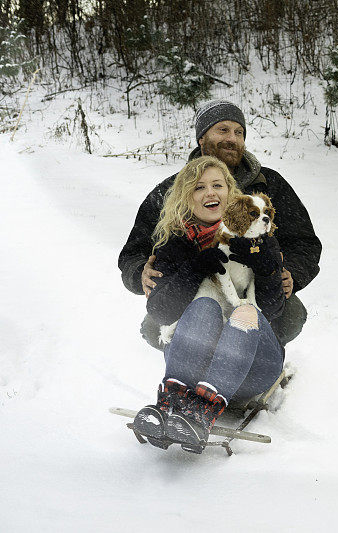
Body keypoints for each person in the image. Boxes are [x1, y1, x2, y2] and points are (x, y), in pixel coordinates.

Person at [119, 99, 321, 348]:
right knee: (154, 327)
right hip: (194, 288)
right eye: (223, 130)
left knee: (290, 316)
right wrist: (140, 272)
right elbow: (132, 253)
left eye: (239, 132)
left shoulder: (269, 185)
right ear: (202, 138)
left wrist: (291, 273)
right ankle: (191, 363)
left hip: (255, 286)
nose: (233, 138)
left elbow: (304, 242)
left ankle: (257, 359)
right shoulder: (172, 191)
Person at [131, 156, 286, 453]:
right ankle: (171, 401)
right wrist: (194, 267)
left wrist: (265, 267)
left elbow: (275, 309)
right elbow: (160, 312)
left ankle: (201, 412)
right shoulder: (176, 242)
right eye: (199, 187)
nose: (210, 193)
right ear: (187, 197)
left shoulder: (261, 234)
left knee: (243, 311)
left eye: (218, 185)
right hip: (197, 370)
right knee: (203, 305)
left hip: (255, 365)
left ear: (231, 193)